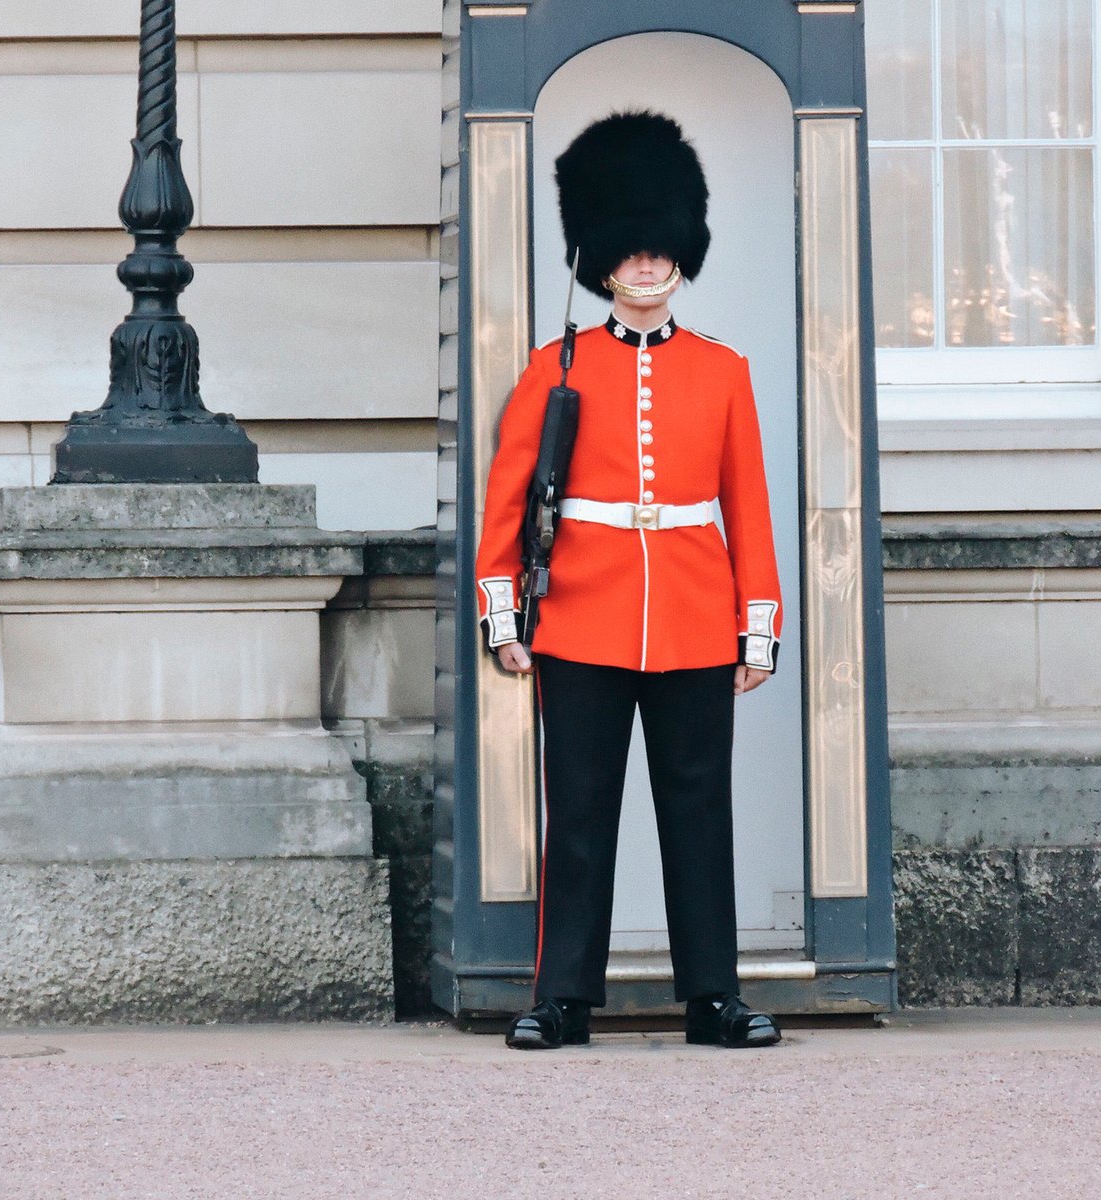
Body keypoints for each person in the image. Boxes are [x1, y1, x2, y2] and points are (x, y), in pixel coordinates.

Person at [475, 111, 783, 1050]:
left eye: (661, 250)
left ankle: (713, 997)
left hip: (693, 615)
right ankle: (563, 995)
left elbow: (749, 508)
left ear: (680, 254)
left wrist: (756, 626)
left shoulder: (723, 372)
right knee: (579, 818)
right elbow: (508, 500)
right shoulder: (554, 367)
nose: (648, 265)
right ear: (602, 259)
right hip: (581, 618)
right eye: (631, 252)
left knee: (699, 815)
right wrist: (503, 616)